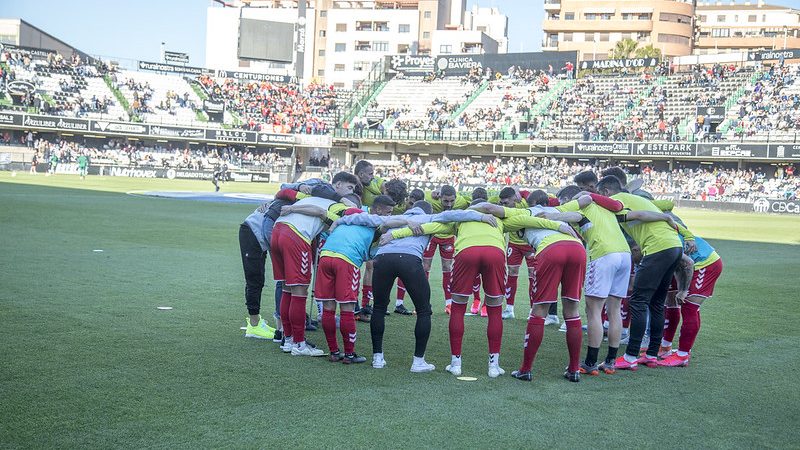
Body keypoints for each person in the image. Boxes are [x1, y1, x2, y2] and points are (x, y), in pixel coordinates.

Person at [339, 201, 494, 371]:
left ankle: (377, 358)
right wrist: (482, 216)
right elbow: (456, 214)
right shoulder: (430, 216)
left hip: (383, 259)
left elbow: (363, 218)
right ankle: (418, 361)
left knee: (378, 308)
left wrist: (338, 222)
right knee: (423, 310)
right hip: (409, 259)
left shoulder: (396, 217)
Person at [387, 200, 511, 378]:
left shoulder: (458, 221)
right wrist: (559, 226)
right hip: (495, 253)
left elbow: (426, 227)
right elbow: (533, 220)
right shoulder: (499, 219)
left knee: (458, 308)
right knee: (495, 310)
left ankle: (455, 364)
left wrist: (394, 235)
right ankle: (493, 366)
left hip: (466, 254)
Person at [471, 199, 586, 382]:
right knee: (572, 310)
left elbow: (488, 207)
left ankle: (526, 369)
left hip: (551, 249)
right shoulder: (556, 209)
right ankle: (574, 370)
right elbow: (585, 200)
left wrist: (467, 210)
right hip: (577, 248)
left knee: (539, 310)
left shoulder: (520, 213)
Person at [593, 176, 694, 370]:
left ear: (605, 192)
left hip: (657, 248)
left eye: (599, 194)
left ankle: (630, 357)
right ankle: (651, 355)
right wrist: (687, 235)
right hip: (673, 247)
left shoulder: (618, 202)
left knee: (638, 301)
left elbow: (640, 215)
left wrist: (588, 196)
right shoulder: (641, 200)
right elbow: (665, 215)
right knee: (657, 302)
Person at [238, 179, 347, 342]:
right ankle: (259, 326)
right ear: (336, 186)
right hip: (253, 230)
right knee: (259, 280)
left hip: (274, 232)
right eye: (349, 188)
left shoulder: (314, 201)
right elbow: (284, 189)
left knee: (286, 282)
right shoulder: (309, 194)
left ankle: (285, 328)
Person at [270, 172, 360, 357]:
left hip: (277, 230)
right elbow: (349, 216)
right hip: (295, 235)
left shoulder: (311, 195)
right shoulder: (342, 208)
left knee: (287, 288)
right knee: (299, 291)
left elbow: (283, 193)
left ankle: (288, 340)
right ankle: (300, 344)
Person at [313, 195, 402, 364]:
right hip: (346, 259)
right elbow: (391, 225)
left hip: (326, 255)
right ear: (377, 210)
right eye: (388, 212)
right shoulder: (375, 221)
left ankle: (333, 352)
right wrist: (411, 223)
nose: (389, 216)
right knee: (347, 308)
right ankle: (349, 354)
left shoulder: (352, 216)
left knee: (329, 307)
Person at [659, 234, 723, 367]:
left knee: (689, 307)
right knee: (671, 302)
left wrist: (683, 289)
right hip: (682, 264)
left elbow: (688, 263)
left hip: (704, 263)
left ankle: (682, 356)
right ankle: (665, 347)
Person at [422, 185, 470, 314]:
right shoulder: (430, 198)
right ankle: (422, 303)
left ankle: (449, 304)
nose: (449, 204)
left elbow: (479, 200)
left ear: (456, 198)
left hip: (448, 237)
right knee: (425, 268)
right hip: (432, 235)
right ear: (440, 198)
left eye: (452, 201)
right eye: (445, 201)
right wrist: (434, 191)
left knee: (447, 268)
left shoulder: (461, 201)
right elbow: (419, 196)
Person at [496, 187, 534, 321]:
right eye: (502, 203)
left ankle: (532, 310)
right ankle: (509, 309)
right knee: (511, 273)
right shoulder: (502, 208)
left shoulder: (525, 202)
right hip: (514, 244)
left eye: (507, 202)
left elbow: (538, 197)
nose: (504, 205)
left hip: (530, 244)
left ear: (515, 198)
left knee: (533, 275)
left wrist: (522, 192)